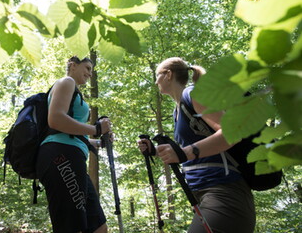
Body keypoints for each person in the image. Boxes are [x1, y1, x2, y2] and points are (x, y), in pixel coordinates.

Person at [138, 57, 255, 233]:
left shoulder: (192, 94)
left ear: (168, 75)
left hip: (225, 195)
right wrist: (154, 151)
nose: (155, 81)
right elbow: (194, 150)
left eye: (158, 75)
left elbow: (231, 133)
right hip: (205, 196)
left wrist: (184, 153)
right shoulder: (177, 110)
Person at [36, 56, 110, 233]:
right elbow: (55, 120)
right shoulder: (67, 82)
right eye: (87, 68)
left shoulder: (76, 93)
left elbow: (72, 133)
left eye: (91, 71)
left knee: (98, 226)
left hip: (72, 157)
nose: (89, 74)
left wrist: (98, 141)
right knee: (71, 226)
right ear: (73, 66)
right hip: (60, 157)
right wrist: (96, 128)